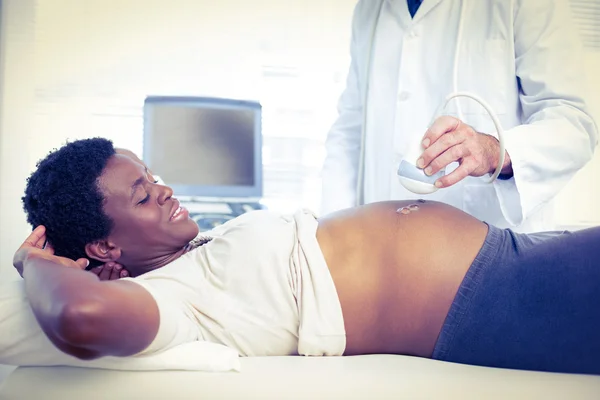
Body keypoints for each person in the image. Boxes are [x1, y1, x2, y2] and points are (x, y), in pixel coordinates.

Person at [13, 138, 600, 375]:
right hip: (490, 298)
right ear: (103, 247)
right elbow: (79, 319)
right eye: (143, 194)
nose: (164, 189)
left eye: (153, 176)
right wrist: (34, 263)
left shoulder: (200, 250)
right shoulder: (170, 297)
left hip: (504, 251)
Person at [320, 0, 598, 233]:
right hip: (381, 257)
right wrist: (333, 235)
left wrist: (494, 151)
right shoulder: (370, 9)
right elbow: (350, 134)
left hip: (491, 261)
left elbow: (573, 122)